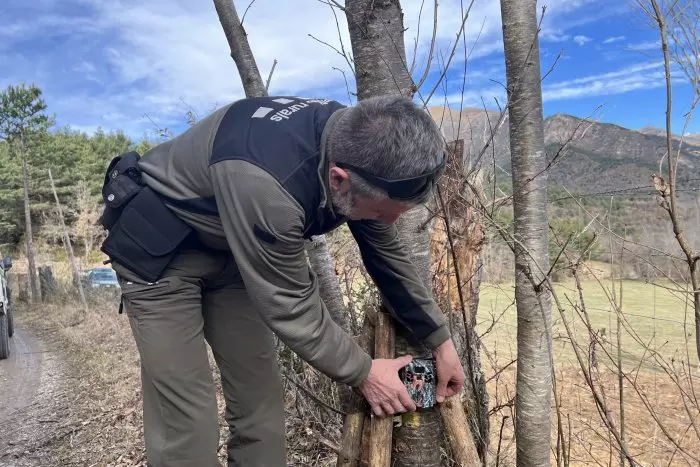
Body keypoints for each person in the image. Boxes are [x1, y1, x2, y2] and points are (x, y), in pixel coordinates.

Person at [99, 94, 465, 467]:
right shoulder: (269, 183)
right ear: (339, 179)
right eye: (381, 212)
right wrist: (365, 372)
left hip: (237, 254)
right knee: (188, 421)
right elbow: (291, 307)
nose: (387, 222)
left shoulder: (358, 141)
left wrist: (440, 340)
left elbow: (385, 254)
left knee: (260, 406)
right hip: (161, 258)